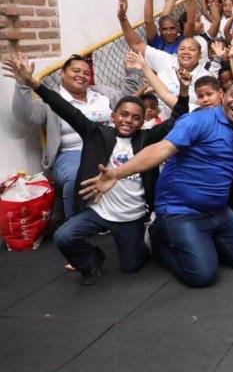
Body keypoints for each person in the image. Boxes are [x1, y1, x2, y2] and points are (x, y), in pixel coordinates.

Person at [2, 56, 189, 284]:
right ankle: (91, 261)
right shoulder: (96, 134)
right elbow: (64, 108)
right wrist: (32, 83)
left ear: (142, 122)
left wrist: (185, 91)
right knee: (64, 236)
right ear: (113, 116)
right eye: (123, 115)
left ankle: (142, 239)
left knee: (132, 266)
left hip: (131, 217)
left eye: (135, 118)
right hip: (99, 213)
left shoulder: (147, 139)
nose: (128, 120)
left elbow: (177, 118)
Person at [79, 80, 233, 288]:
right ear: (222, 95)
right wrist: (117, 173)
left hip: (218, 211)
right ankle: (157, 239)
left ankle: (200, 244)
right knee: (203, 276)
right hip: (181, 212)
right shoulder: (198, 121)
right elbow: (162, 149)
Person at [10, 53, 142, 219]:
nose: (81, 75)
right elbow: (26, 116)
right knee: (76, 176)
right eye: (76, 71)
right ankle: (75, 224)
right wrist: (23, 84)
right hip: (72, 153)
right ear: (62, 73)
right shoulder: (51, 101)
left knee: (141, 164)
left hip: (111, 149)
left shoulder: (103, 94)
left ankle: (131, 217)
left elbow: (128, 100)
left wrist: (131, 72)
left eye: (86, 73)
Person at [118, 0, 212, 114]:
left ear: (199, 56)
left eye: (191, 49)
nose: (186, 52)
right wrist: (122, 18)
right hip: (157, 120)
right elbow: (136, 44)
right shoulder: (165, 59)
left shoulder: (206, 77)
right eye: (182, 48)